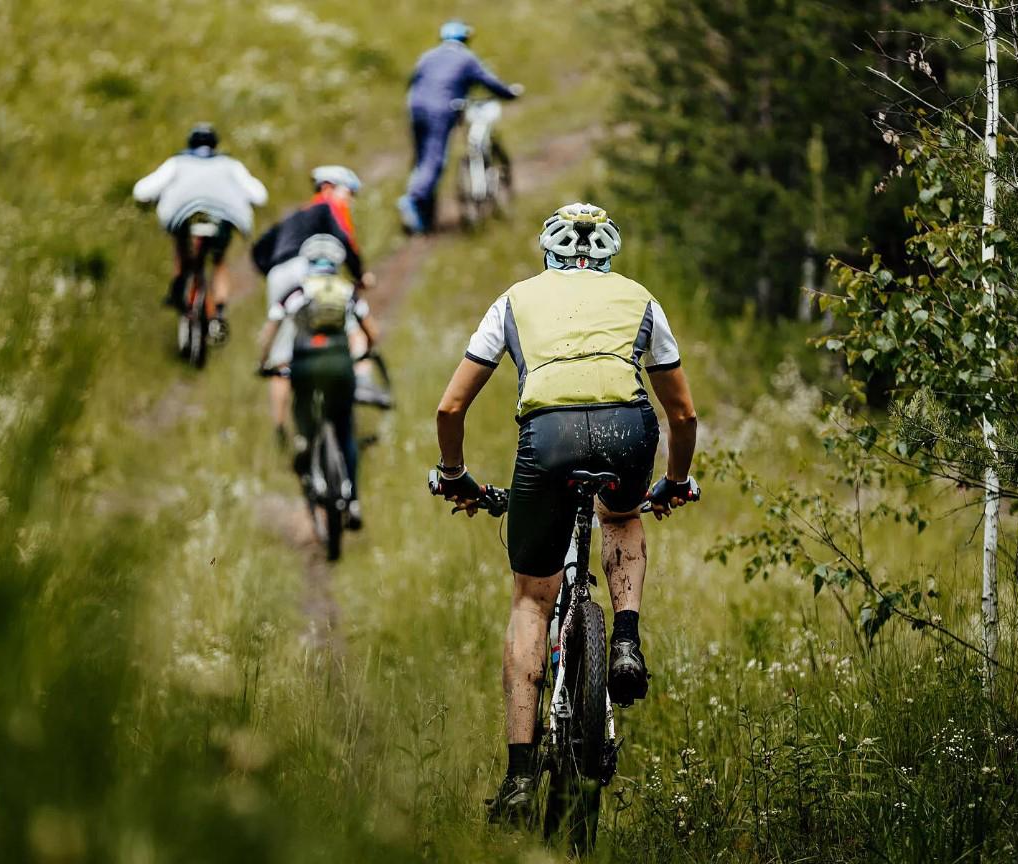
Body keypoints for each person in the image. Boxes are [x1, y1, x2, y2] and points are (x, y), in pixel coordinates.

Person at [431, 203, 699, 822]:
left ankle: (520, 776)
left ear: (548, 254)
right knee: (622, 515)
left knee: (531, 599)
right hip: (629, 431)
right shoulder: (641, 300)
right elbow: (682, 414)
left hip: (547, 440)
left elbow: (450, 409)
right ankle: (625, 639)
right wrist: (676, 481)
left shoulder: (514, 300)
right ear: (609, 256)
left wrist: (454, 476)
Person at [252, 166, 379, 445]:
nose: (350, 200)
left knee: (282, 357)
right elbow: (344, 243)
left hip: (278, 272)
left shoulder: (294, 216)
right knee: (344, 327)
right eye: (349, 192)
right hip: (306, 269)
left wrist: (274, 271)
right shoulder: (327, 209)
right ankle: (361, 383)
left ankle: (283, 432)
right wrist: (360, 275)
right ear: (328, 188)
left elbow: (258, 249)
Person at [258, 234, 375, 530]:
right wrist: (367, 352)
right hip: (340, 364)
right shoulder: (347, 291)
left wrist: (265, 361)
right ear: (336, 263)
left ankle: (305, 444)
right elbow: (370, 330)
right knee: (345, 426)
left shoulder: (297, 291)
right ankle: (354, 499)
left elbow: (273, 325)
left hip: (305, 365)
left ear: (307, 262)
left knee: (303, 412)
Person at [133, 123, 268, 333]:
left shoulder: (177, 162)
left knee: (181, 249)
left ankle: (179, 288)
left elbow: (142, 191)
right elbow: (259, 195)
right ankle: (219, 313)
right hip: (221, 220)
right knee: (219, 261)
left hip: (185, 218)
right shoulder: (230, 165)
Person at [396, 20, 523, 234]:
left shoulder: (427, 56)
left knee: (422, 158)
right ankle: (413, 200)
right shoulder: (466, 58)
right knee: (435, 159)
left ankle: (424, 215)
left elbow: (412, 82)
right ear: (465, 39)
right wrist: (509, 92)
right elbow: (489, 81)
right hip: (441, 108)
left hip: (416, 106)